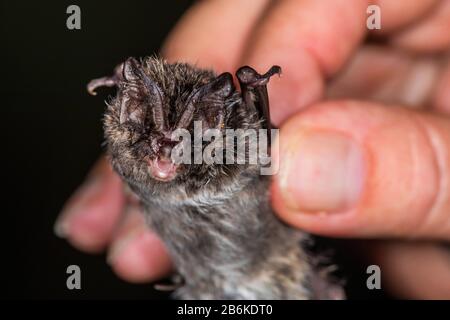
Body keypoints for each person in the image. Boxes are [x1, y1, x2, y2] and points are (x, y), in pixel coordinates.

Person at [54, 0, 450, 299]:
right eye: (153, 133)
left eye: (180, 140)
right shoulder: (131, 154)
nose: (165, 151)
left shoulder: (236, 147)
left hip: (268, 267)